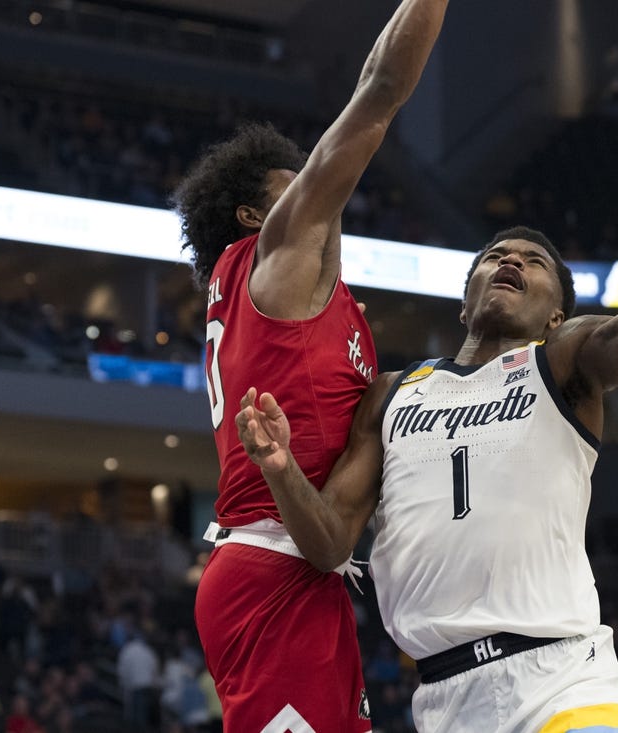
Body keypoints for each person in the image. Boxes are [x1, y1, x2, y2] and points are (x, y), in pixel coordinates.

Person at [237, 96, 618, 732]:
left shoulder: (563, 362)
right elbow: (329, 543)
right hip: (443, 698)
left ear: (556, 316)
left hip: (561, 682)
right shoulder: (393, 394)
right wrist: (281, 468)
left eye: (533, 264)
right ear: (465, 301)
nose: (510, 261)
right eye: (495, 256)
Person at [169, 0, 448, 730]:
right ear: (257, 218)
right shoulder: (277, 261)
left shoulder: (312, 304)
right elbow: (381, 89)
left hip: (296, 565)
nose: (317, 193)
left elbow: (331, 543)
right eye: (291, 187)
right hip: (267, 567)